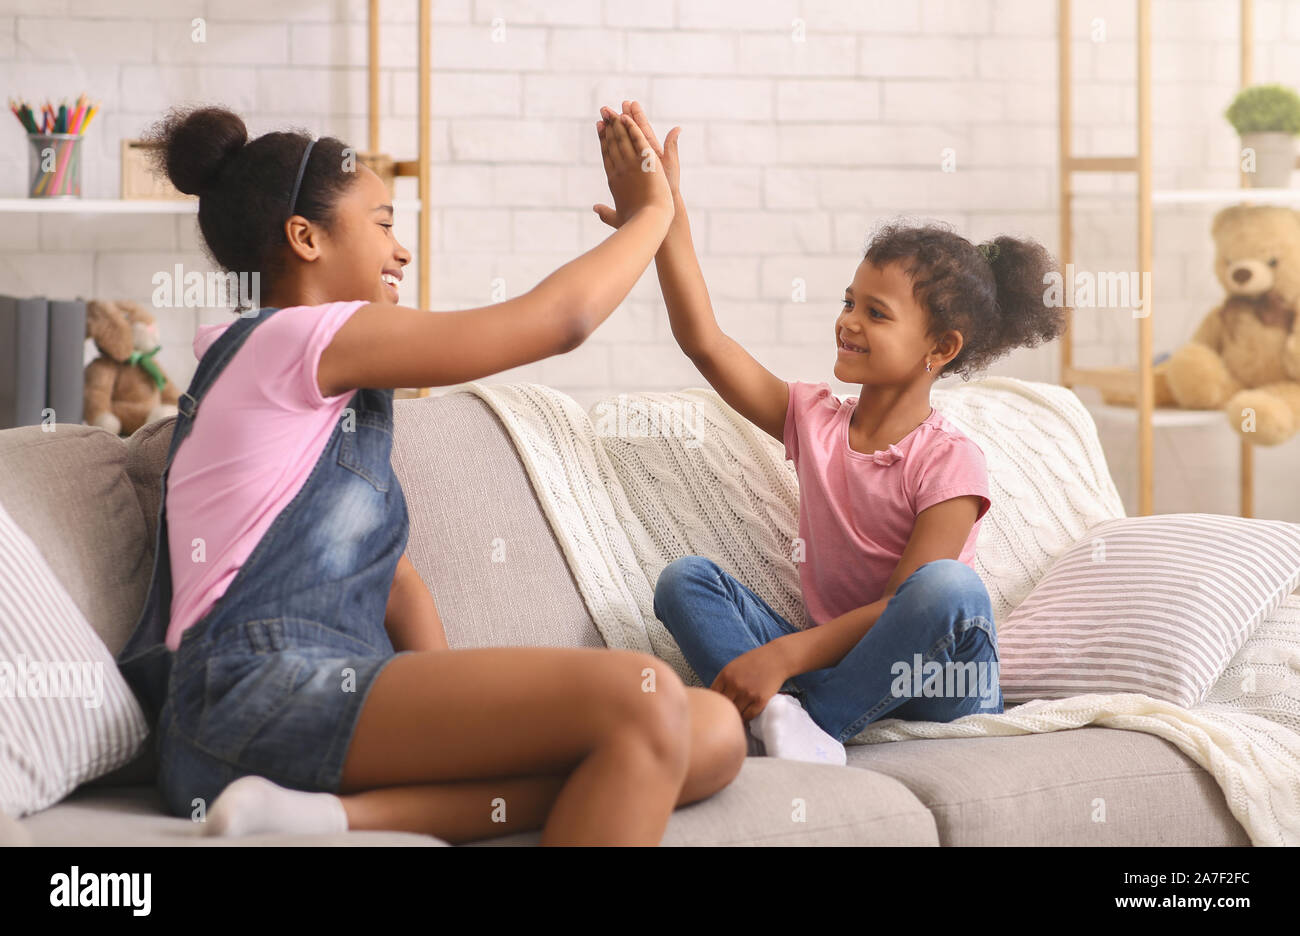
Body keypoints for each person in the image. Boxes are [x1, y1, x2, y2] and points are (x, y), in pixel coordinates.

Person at [115, 103, 746, 847]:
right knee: (644, 703)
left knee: (710, 731)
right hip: (249, 695)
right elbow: (559, 321)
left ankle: (317, 819)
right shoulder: (296, 338)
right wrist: (653, 215)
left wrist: (461, 719)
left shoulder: (324, 393)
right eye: (382, 222)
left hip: (316, 705)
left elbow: (397, 579)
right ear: (305, 237)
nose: (402, 251)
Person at [598, 101, 1067, 766]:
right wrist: (664, 223)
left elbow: (909, 606)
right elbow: (704, 343)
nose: (848, 321)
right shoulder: (813, 418)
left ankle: (802, 716)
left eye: (876, 313)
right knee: (686, 581)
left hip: (937, 679)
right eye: (849, 302)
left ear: (940, 347)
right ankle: (795, 718)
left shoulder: (950, 461)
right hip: (843, 663)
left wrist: (781, 655)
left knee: (948, 589)